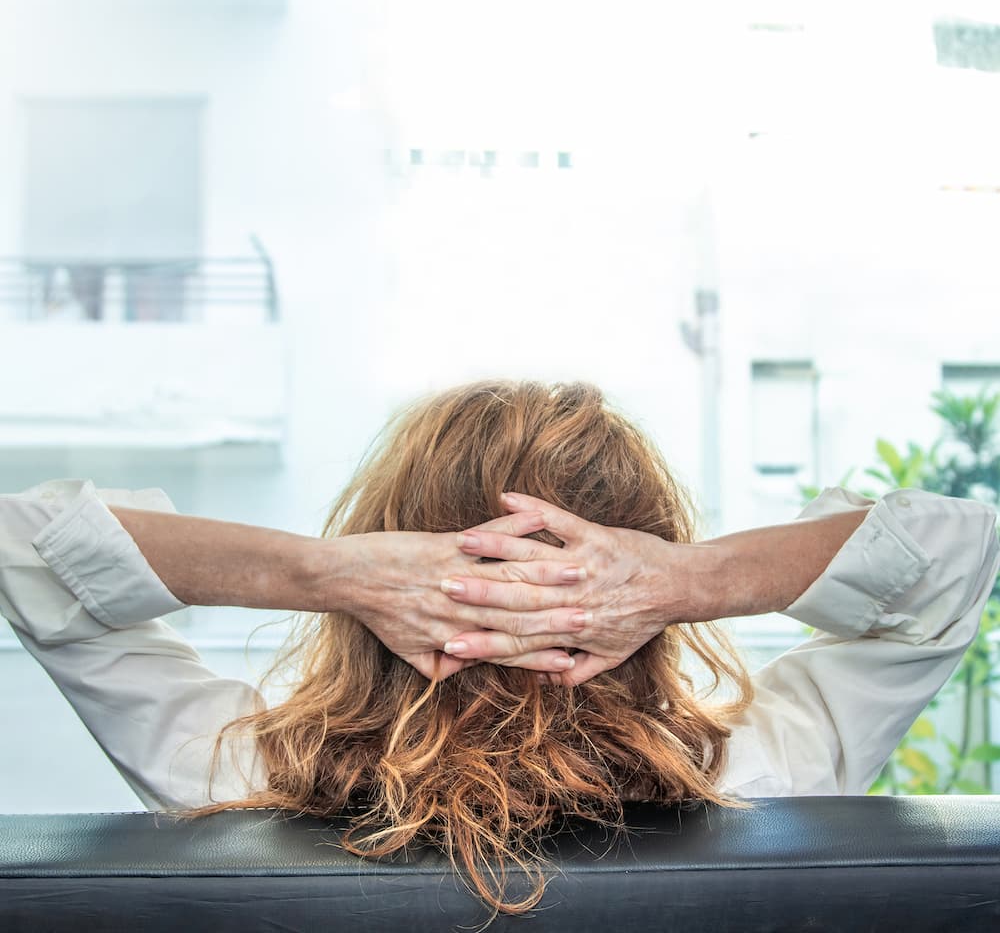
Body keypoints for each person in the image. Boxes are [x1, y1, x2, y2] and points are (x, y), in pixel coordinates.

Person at [1, 380, 998, 916]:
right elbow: (952, 553)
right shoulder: (772, 771)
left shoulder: (230, 768)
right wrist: (683, 583)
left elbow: (27, 546)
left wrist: (324, 573)